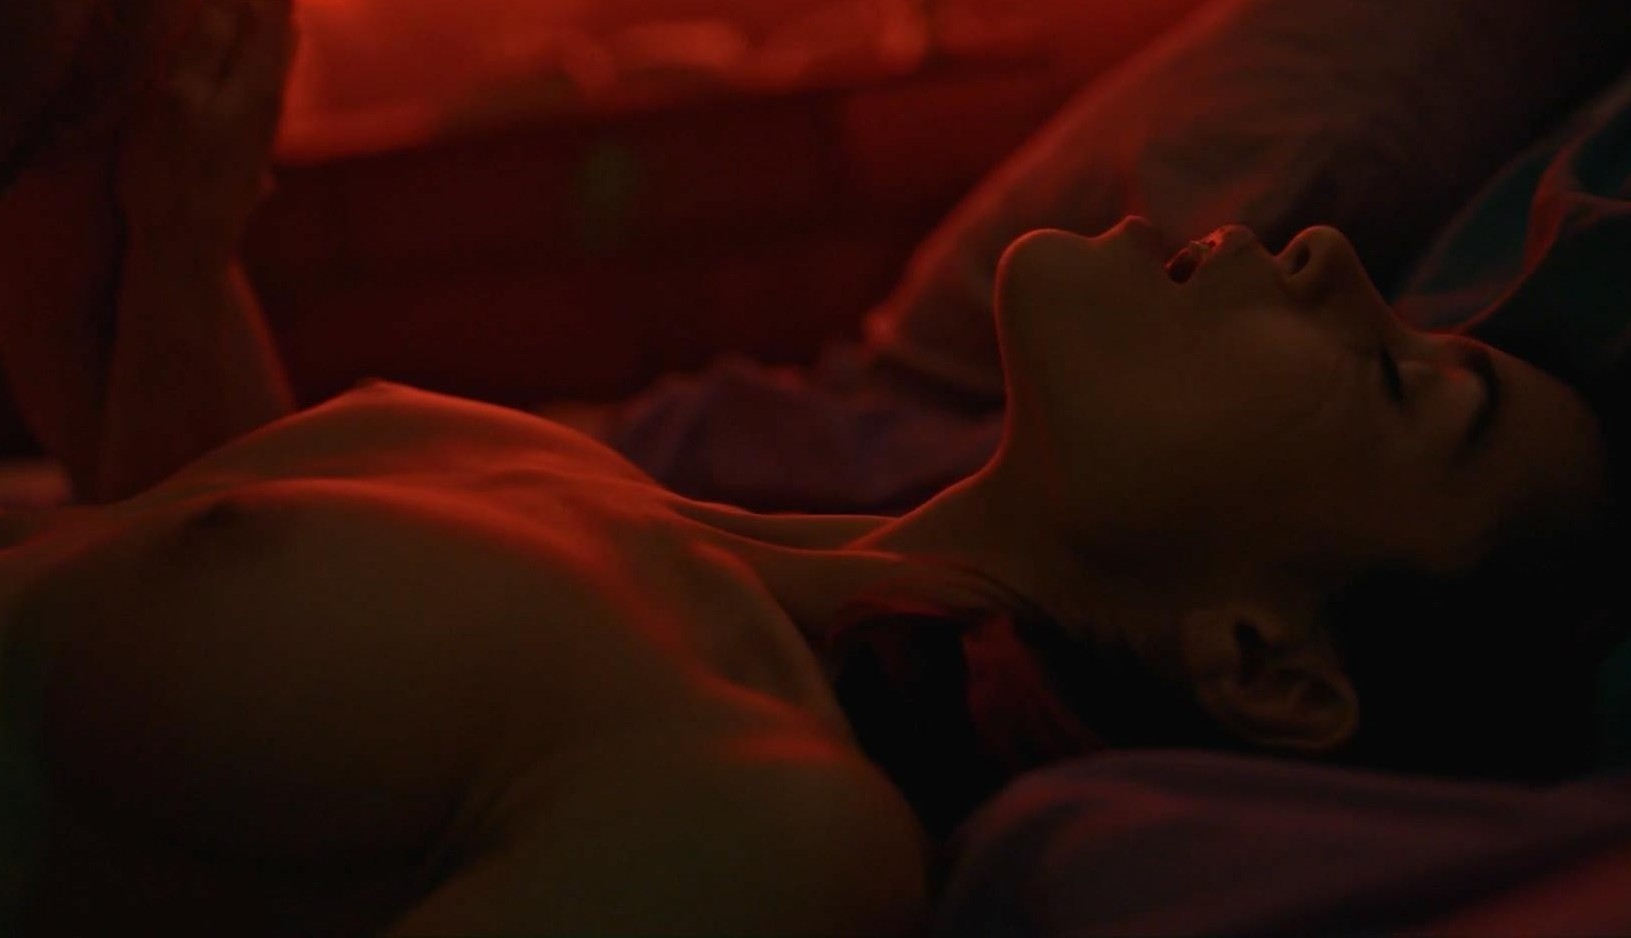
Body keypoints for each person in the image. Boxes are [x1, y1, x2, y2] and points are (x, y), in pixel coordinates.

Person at [0, 0, 1620, 934]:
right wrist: (178, 217)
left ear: (1263, 663)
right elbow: (183, 690)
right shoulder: (657, 514)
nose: (1340, 261)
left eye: (1407, 383)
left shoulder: (760, 822)